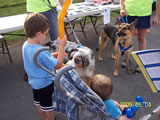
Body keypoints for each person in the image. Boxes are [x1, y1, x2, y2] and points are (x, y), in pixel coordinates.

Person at [22, 13, 67, 120]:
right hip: (45, 85)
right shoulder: (41, 51)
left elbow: (35, 60)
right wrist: (61, 47)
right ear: (38, 34)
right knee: (48, 108)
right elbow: (58, 65)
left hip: (34, 83)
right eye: (45, 34)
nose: (46, 36)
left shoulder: (25, 45)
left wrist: (52, 55)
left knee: (39, 104)